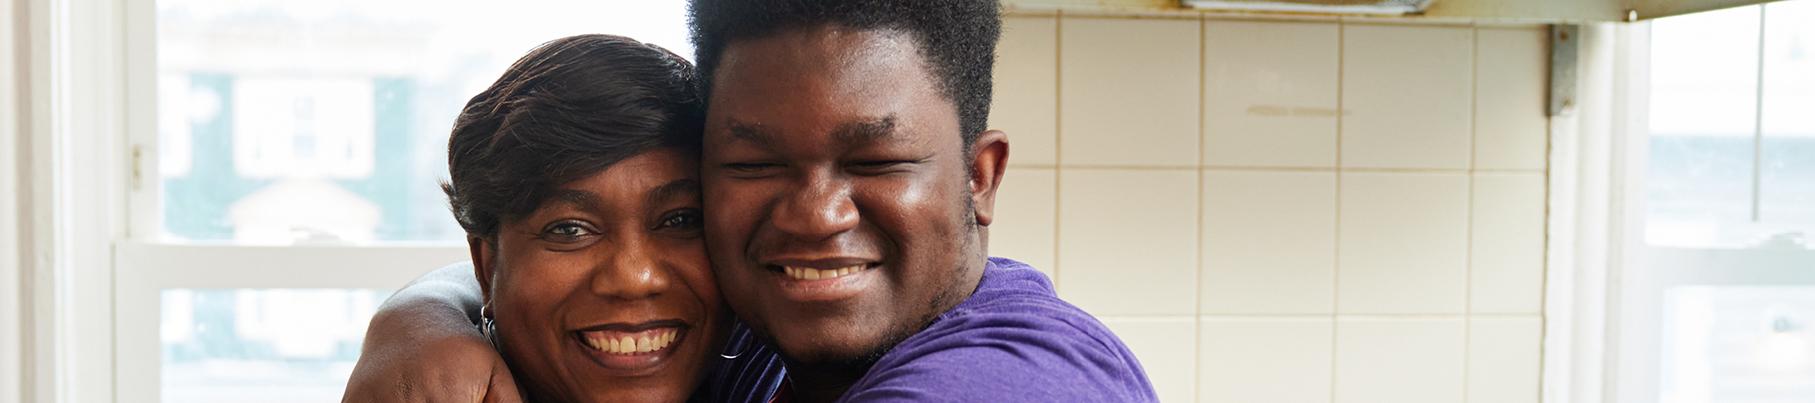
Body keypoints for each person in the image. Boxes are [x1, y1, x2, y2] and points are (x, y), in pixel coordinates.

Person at [346, 1, 1158, 401]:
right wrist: (422, 314)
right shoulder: (761, 344)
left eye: (873, 158)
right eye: (754, 163)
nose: (813, 215)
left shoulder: (1009, 379)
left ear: (979, 177)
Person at [342, 34, 783, 402]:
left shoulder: (761, 361)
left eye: (680, 220)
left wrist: (417, 314)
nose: (635, 277)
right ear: (487, 263)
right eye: (570, 229)